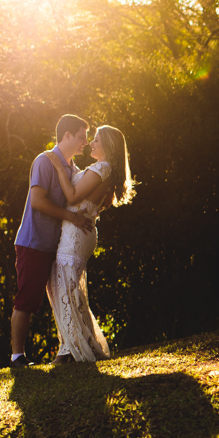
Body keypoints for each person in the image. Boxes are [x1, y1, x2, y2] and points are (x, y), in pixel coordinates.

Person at [45, 124, 135, 363]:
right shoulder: (103, 170)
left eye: (96, 140)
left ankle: (70, 350)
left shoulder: (102, 168)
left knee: (65, 287)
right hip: (79, 230)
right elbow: (93, 201)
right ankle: (74, 344)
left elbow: (73, 196)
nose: (91, 144)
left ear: (108, 146)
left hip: (76, 234)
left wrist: (59, 168)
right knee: (66, 287)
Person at [10, 115, 94, 368]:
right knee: (27, 299)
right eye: (81, 137)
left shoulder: (72, 169)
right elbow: (37, 201)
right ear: (66, 136)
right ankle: (17, 357)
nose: (85, 142)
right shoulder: (44, 161)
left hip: (55, 246)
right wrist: (72, 217)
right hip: (34, 242)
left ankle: (70, 348)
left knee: (62, 298)